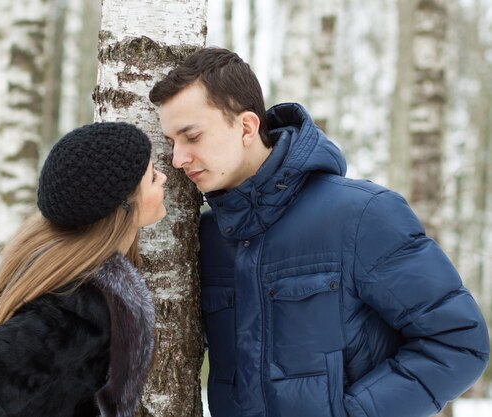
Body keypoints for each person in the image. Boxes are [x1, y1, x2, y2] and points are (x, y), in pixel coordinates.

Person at [149, 47, 490, 417]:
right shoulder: (207, 237)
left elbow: (458, 342)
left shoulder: (361, 215)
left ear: (246, 127)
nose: (178, 159)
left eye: (192, 136)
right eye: (171, 143)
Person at [0, 122, 167, 417]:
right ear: (124, 208)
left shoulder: (80, 285)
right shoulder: (80, 307)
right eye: (152, 177)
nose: (163, 177)